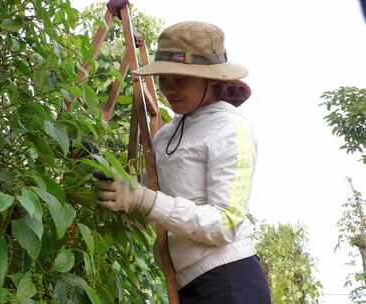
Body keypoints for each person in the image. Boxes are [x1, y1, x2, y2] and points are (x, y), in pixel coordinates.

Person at [95, 21, 271, 303]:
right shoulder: (166, 135)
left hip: (228, 283)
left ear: (212, 79)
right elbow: (148, 196)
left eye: (181, 79)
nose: (169, 88)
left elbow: (225, 224)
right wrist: (115, 185)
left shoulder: (230, 128)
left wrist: (144, 200)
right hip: (187, 285)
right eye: (164, 78)